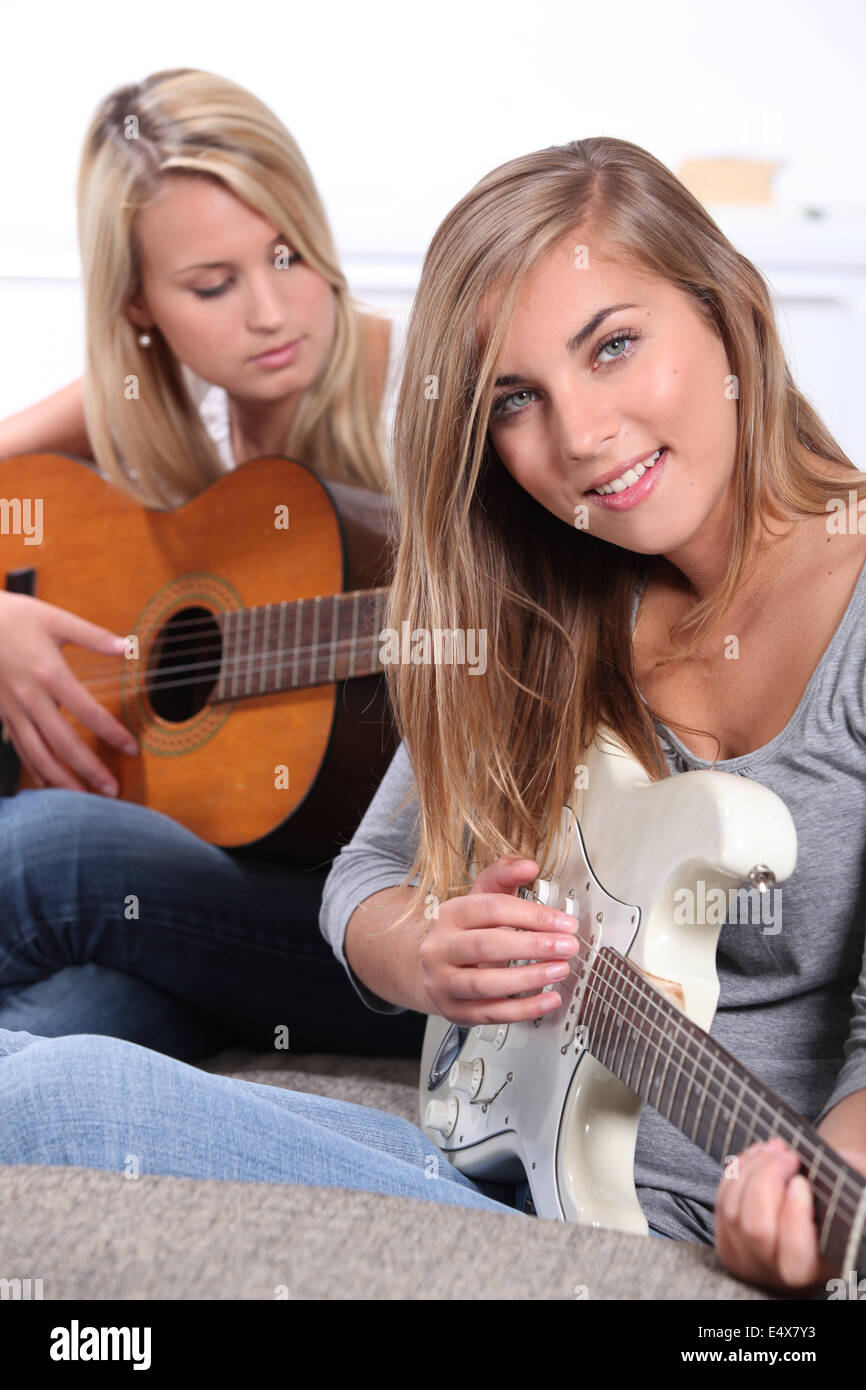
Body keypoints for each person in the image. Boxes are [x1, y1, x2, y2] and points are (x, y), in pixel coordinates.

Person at [2, 134, 864, 1295]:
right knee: (57, 1041)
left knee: (61, 1090)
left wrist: (814, 1205)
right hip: (481, 1142)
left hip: (640, 1224)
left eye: (613, 345)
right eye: (517, 399)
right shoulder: (540, 592)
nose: (580, 437)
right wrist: (423, 953)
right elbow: (365, 876)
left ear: (725, 313)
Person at [0, 67, 423, 1061]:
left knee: (37, 847)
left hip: (383, 923)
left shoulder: (434, 399)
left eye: (286, 255)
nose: (271, 311)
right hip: (207, 910)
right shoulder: (163, 411)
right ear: (139, 305)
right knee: (51, 1046)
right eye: (211, 285)